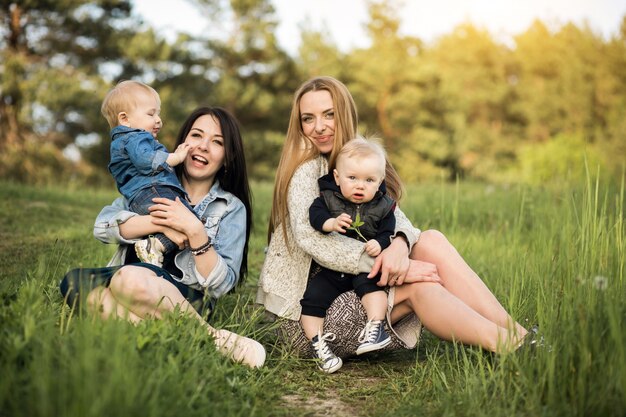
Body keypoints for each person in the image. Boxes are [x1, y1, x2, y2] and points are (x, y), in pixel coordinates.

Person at [257, 76, 531, 369]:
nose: (319, 126)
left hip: (351, 285)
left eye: (329, 114)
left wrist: (400, 245)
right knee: (420, 286)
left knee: (432, 240)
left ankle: (518, 334)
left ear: (345, 114)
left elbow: (398, 219)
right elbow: (312, 239)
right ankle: (512, 347)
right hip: (308, 316)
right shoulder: (306, 172)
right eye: (308, 118)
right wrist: (395, 266)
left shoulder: (359, 161)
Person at [61, 106, 266, 368]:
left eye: (217, 142)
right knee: (74, 283)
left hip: (184, 299)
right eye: (197, 136)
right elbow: (103, 226)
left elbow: (222, 285)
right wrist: (157, 222)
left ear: (227, 158)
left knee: (130, 278)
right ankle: (196, 341)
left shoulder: (230, 207)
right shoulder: (149, 184)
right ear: (183, 141)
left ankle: (197, 335)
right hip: (128, 285)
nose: (203, 146)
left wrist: (194, 230)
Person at [302, 136, 396, 373]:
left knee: (372, 287)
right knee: (313, 299)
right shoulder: (327, 198)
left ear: (380, 182)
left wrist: (380, 242)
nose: (360, 186)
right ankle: (318, 345)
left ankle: (376, 327)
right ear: (337, 177)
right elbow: (314, 216)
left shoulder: (383, 206)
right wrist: (331, 223)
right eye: (352, 178)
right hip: (332, 268)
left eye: (369, 180)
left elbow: (388, 231)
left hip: (363, 266)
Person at [101, 80, 194, 267]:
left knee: (186, 227)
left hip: (142, 198)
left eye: (158, 113)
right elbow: (147, 161)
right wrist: (177, 156)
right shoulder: (135, 137)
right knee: (192, 223)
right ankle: (155, 246)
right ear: (125, 119)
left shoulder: (124, 141)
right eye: (151, 113)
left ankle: (158, 243)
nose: (158, 119)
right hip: (153, 191)